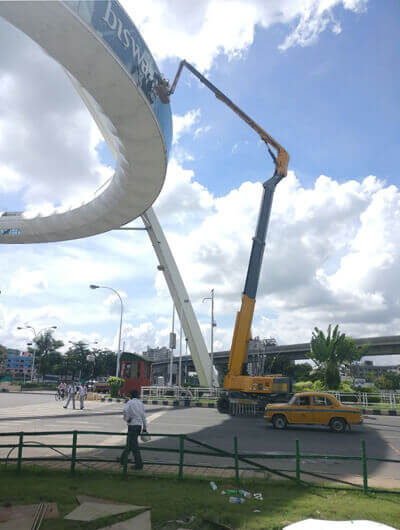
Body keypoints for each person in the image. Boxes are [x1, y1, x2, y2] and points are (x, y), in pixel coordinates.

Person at [119, 390, 148, 470]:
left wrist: (127, 419)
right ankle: (122, 459)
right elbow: (143, 416)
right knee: (131, 443)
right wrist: (145, 428)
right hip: (139, 426)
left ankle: (139, 464)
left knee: (133, 445)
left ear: (131, 396)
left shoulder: (130, 402)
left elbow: (125, 410)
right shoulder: (140, 403)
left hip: (132, 426)